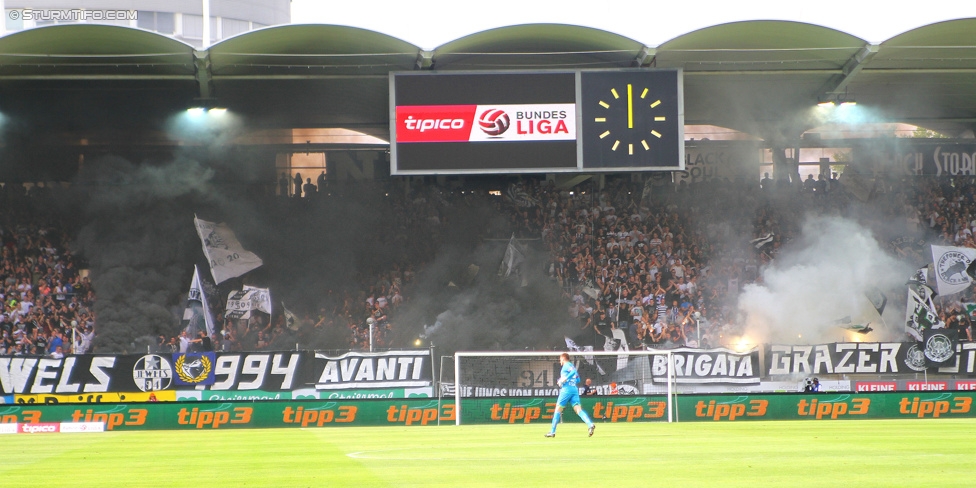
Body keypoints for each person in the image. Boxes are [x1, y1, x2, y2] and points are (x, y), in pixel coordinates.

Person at [546, 352, 595, 438]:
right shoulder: (571, 365)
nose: (559, 361)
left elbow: (573, 371)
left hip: (566, 390)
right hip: (574, 390)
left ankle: (552, 432)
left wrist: (564, 379)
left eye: (560, 359)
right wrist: (564, 381)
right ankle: (590, 424)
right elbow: (578, 379)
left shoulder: (566, 365)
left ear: (563, 358)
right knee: (578, 410)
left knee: (558, 410)